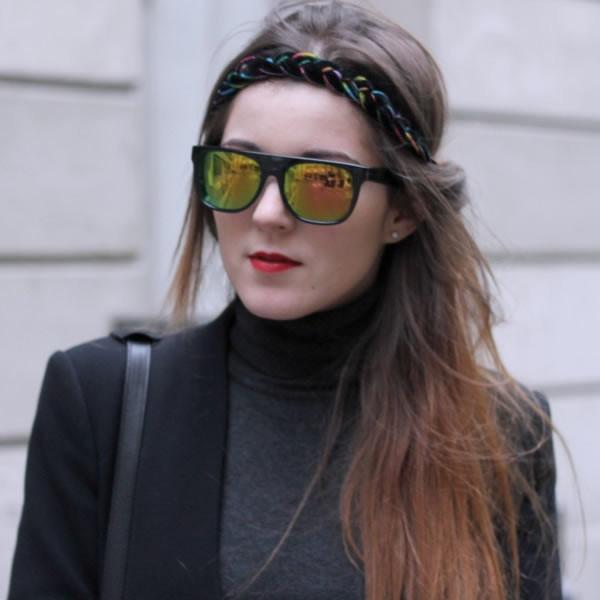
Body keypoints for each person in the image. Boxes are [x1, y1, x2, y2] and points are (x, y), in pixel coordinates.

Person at [9, 1, 562, 598]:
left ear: (404, 210)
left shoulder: (501, 436)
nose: (267, 213)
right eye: (238, 169)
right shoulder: (102, 403)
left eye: (322, 181)